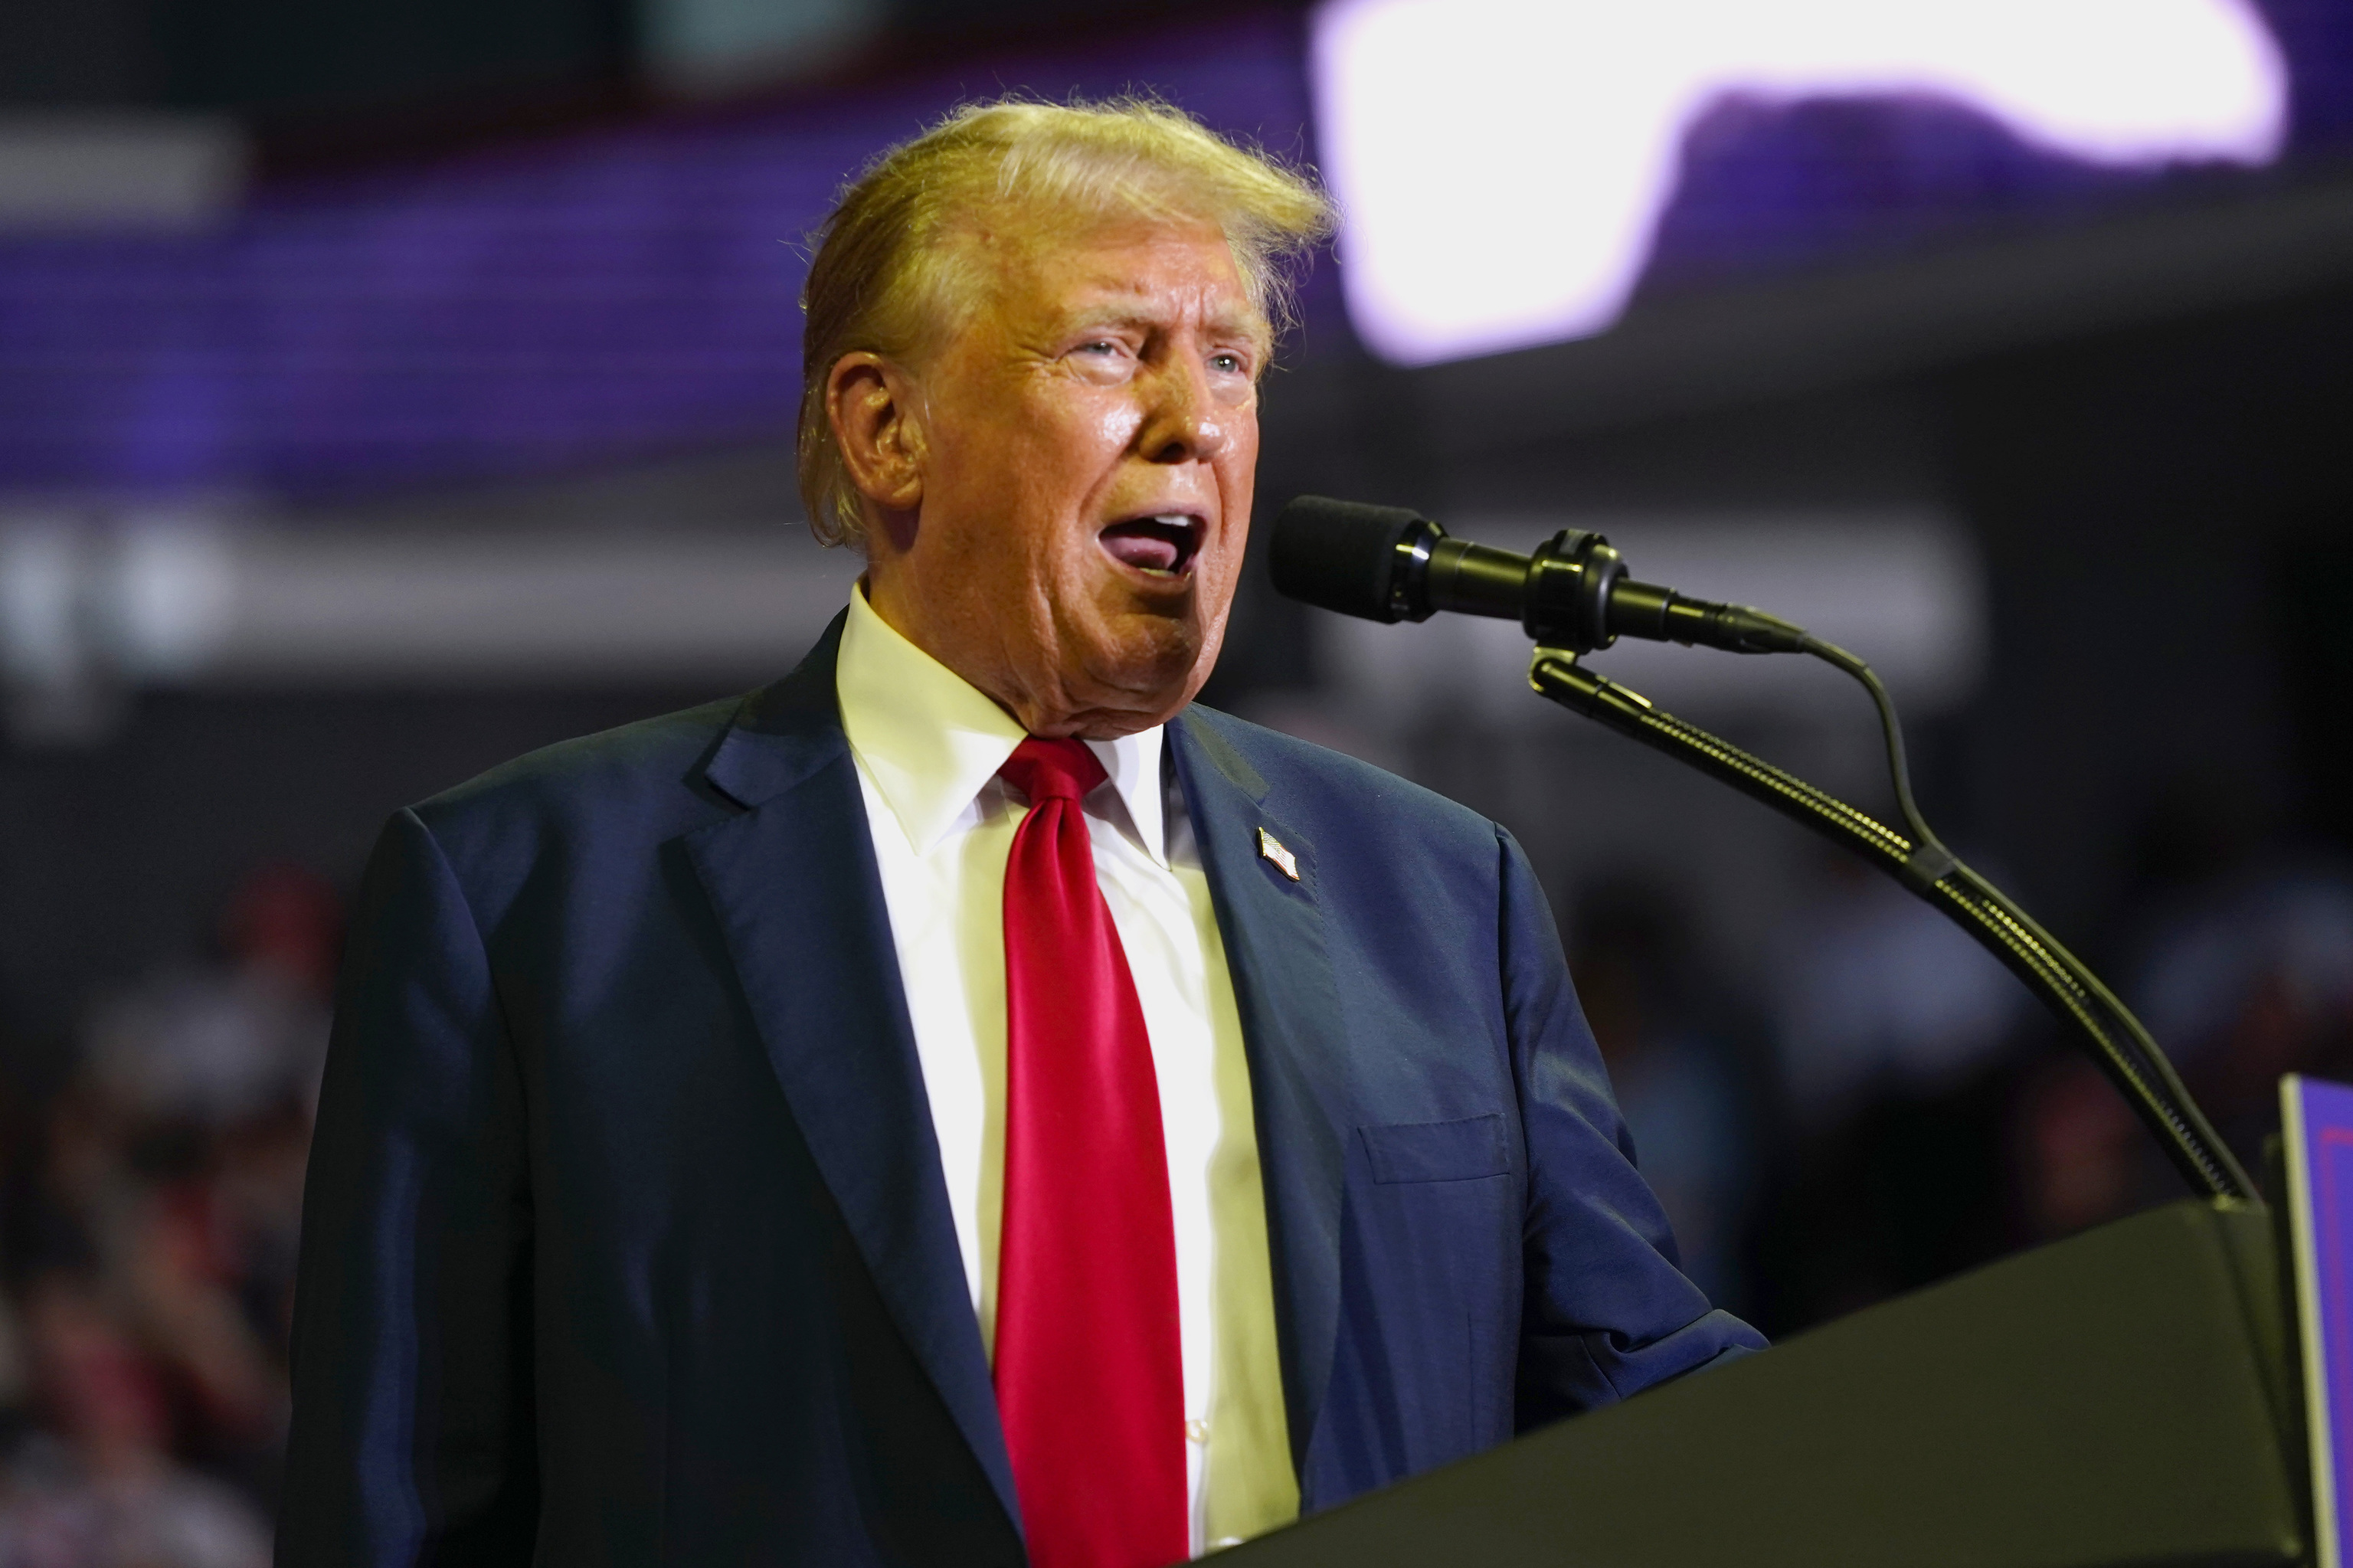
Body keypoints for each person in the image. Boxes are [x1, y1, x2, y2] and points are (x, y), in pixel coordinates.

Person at [277, 98, 1762, 1567]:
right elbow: (398, 1517)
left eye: (1231, 361)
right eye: (1113, 348)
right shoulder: (529, 900)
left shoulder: (1438, 893)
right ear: (886, 429)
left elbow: (1657, 1413)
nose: (1195, 421)